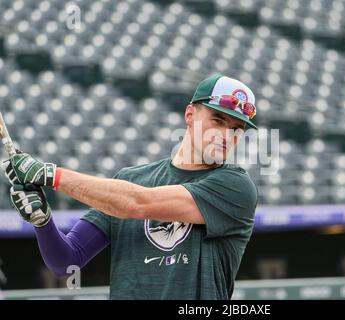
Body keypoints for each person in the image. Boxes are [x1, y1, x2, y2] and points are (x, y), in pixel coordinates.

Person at [2, 73, 259, 300]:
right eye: (218, 120)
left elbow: (137, 203)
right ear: (190, 115)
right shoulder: (131, 179)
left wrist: (49, 174)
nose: (228, 135)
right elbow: (67, 261)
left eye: (237, 129)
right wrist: (42, 222)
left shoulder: (235, 186)